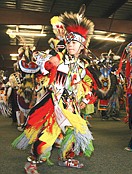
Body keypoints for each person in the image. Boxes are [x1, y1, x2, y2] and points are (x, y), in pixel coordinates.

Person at [12, 5, 95, 174]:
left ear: (82, 47)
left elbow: (81, 84)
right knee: (49, 135)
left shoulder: (81, 65)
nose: (71, 45)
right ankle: (33, 160)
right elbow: (53, 82)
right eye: (69, 42)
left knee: (74, 133)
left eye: (75, 43)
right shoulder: (60, 61)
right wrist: (47, 60)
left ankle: (65, 157)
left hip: (73, 106)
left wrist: (85, 97)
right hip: (57, 106)